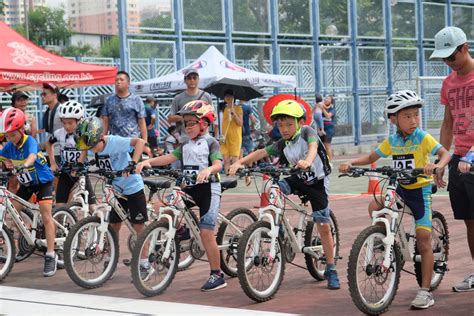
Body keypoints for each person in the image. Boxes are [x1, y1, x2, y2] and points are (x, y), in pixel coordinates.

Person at [339, 90, 451, 309]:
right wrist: (352, 163)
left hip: (420, 193)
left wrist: (437, 165)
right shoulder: (392, 141)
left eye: (415, 115)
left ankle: (425, 291)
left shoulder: (422, 137)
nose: (413, 120)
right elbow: (372, 157)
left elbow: (445, 153)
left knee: (423, 239)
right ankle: (384, 238)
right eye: (407, 116)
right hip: (400, 189)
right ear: (393, 119)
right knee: (375, 206)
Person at [229, 99, 339, 290]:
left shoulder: (307, 132)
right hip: (298, 178)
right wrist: (240, 162)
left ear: (300, 122)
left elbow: (313, 148)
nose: (285, 128)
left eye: (289, 124)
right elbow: (262, 152)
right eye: (281, 125)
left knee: (323, 225)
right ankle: (276, 227)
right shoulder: (283, 143)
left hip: (318, 182)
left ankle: (330, 268)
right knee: (274, 188)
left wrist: (307, 160)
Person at [137, 100, 226, 292]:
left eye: (192, 122)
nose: (187, 126)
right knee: (167, 211)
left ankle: (217, 274)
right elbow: (169, 158)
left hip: (209, 188)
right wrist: (149, 162)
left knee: (206, 232)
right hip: (189, 187)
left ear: (204, 123)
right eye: (185, 123)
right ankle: (182, 231)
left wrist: (209, 170)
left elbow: (219, 164)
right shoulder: (185, 145)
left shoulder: (211, 142)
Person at [75, 116, 150, 276]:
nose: (90, 149)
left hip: (132, 188)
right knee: (113, 226)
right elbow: (83, 152)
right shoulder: (91, 145)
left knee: (139, 227)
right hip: (116, 189)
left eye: (92, 145)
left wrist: (133, 163)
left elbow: (140, 142)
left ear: (100, 137)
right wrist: (79, 166)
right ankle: (111, 258)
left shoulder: (114, 142)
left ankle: (144, 263)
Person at [430, 26, 474, 292]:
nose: (448, 62)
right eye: (444, 58)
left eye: (451, 56)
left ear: (465, 48)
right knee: (470, 219)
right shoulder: (449, 83)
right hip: (459, 159)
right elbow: (448, 123)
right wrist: (442, 160)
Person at [0, 108, 57, 276]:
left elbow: (32, 155)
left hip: (43, 182)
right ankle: (24, 237)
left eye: (12, 134)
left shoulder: (29, 140)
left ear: (21, 130)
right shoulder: (9, 146)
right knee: (13, 211)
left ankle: (51, 255)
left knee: (46, 215)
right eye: (6, 136)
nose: (9, 139)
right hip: (27, 184)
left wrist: (24, 165)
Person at [45, 101, 97, 211]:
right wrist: (53, 163)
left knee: (92, 207)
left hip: (81, 172)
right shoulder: (59, 133)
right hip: (66, 172)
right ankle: (64, 227)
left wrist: (79, 166)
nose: (66, 126)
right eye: (64, 123)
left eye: (70, 123)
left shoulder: (84, 133)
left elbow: (84, 151)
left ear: (79, 121)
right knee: (60, 207)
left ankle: (96, 226)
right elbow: (48, 144)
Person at [101, 71, 148, 142]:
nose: (118, 82)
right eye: (116, 80)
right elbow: (105, 122)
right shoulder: (109, 100)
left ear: (128, 83)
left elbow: (141, 121)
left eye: (121, 80)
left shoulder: (136, 100)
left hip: (133, 141)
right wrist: (103, 139)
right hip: (114, 141)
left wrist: (144, 141)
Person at [168, 68, 213, 138]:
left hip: (203, 136)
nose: (192, 80)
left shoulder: (206, 96)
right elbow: (170, 118)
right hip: (186, 137)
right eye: (189, 78)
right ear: (185, 81)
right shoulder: (178, 98)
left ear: (198, 79)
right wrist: (186, 118)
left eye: (194, 78)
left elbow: (214, 115)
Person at [220, 89, 243, 173]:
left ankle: (233, 177)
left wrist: (234, 114)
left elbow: (240, 123)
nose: (228, 98)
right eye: (226, 96)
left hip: (235, 137)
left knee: (234, 159)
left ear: (233, 97)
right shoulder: (225, 109)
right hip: (224, 137)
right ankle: (227, 175)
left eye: (230, 96)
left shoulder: (238, 108)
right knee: (226, 159)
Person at [321, 95, 336, 161]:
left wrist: (323, 108)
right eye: (326, 98)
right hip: (321, 129)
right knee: (321, 145)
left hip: (329, 129)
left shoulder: (332, 109)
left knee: (327, 144)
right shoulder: (320, 108)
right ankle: (324, 160)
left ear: (331, 102)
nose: (326, 99)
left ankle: (330, 161)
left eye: (328, 99)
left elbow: (328, 116)